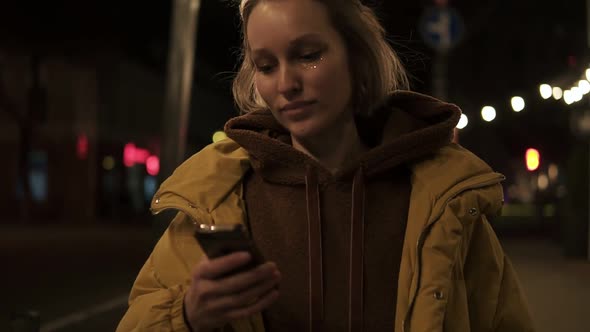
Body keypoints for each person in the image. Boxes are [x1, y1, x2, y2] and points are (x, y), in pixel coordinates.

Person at [117, 0, 535, 331]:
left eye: (308, 55)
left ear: (356, 56)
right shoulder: (217, 196)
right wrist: (188, 315)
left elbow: (502, 320)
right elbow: (137, 320)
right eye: (266, 66)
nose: (285, 84)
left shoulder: (442, 196)